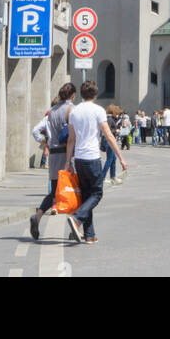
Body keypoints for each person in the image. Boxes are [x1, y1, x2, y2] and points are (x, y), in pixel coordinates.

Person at [65, 79, 128, 245]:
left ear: (81, 93)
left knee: (87, 195)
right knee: (97, 193)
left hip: (78, 158)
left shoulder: (74, 111)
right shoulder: (98, 110)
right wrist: (120, 156)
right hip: (92, 157)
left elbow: (71, 139)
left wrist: (68, 162)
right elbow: (108, 135)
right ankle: (77, 219)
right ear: (95, 94)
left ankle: (89, 234)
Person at [29, 83, 76, 240]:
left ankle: (38, 215)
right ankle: (75, 225)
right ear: (73, 95)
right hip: (66, 154)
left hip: (54, 154)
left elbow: (40, 130)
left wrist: (44, 143)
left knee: (55, 190)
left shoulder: (52, 111)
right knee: (74, 189)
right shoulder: (71, 110)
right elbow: (72, 135)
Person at [102, 105, 120, 184]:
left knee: (113, 158)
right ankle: (103, 177)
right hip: (108, 141)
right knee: (110, 159)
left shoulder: (110, 118)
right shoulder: (109, 119)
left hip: (109, 140)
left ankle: (113, 176)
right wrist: (116, 131)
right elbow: (107, 130)